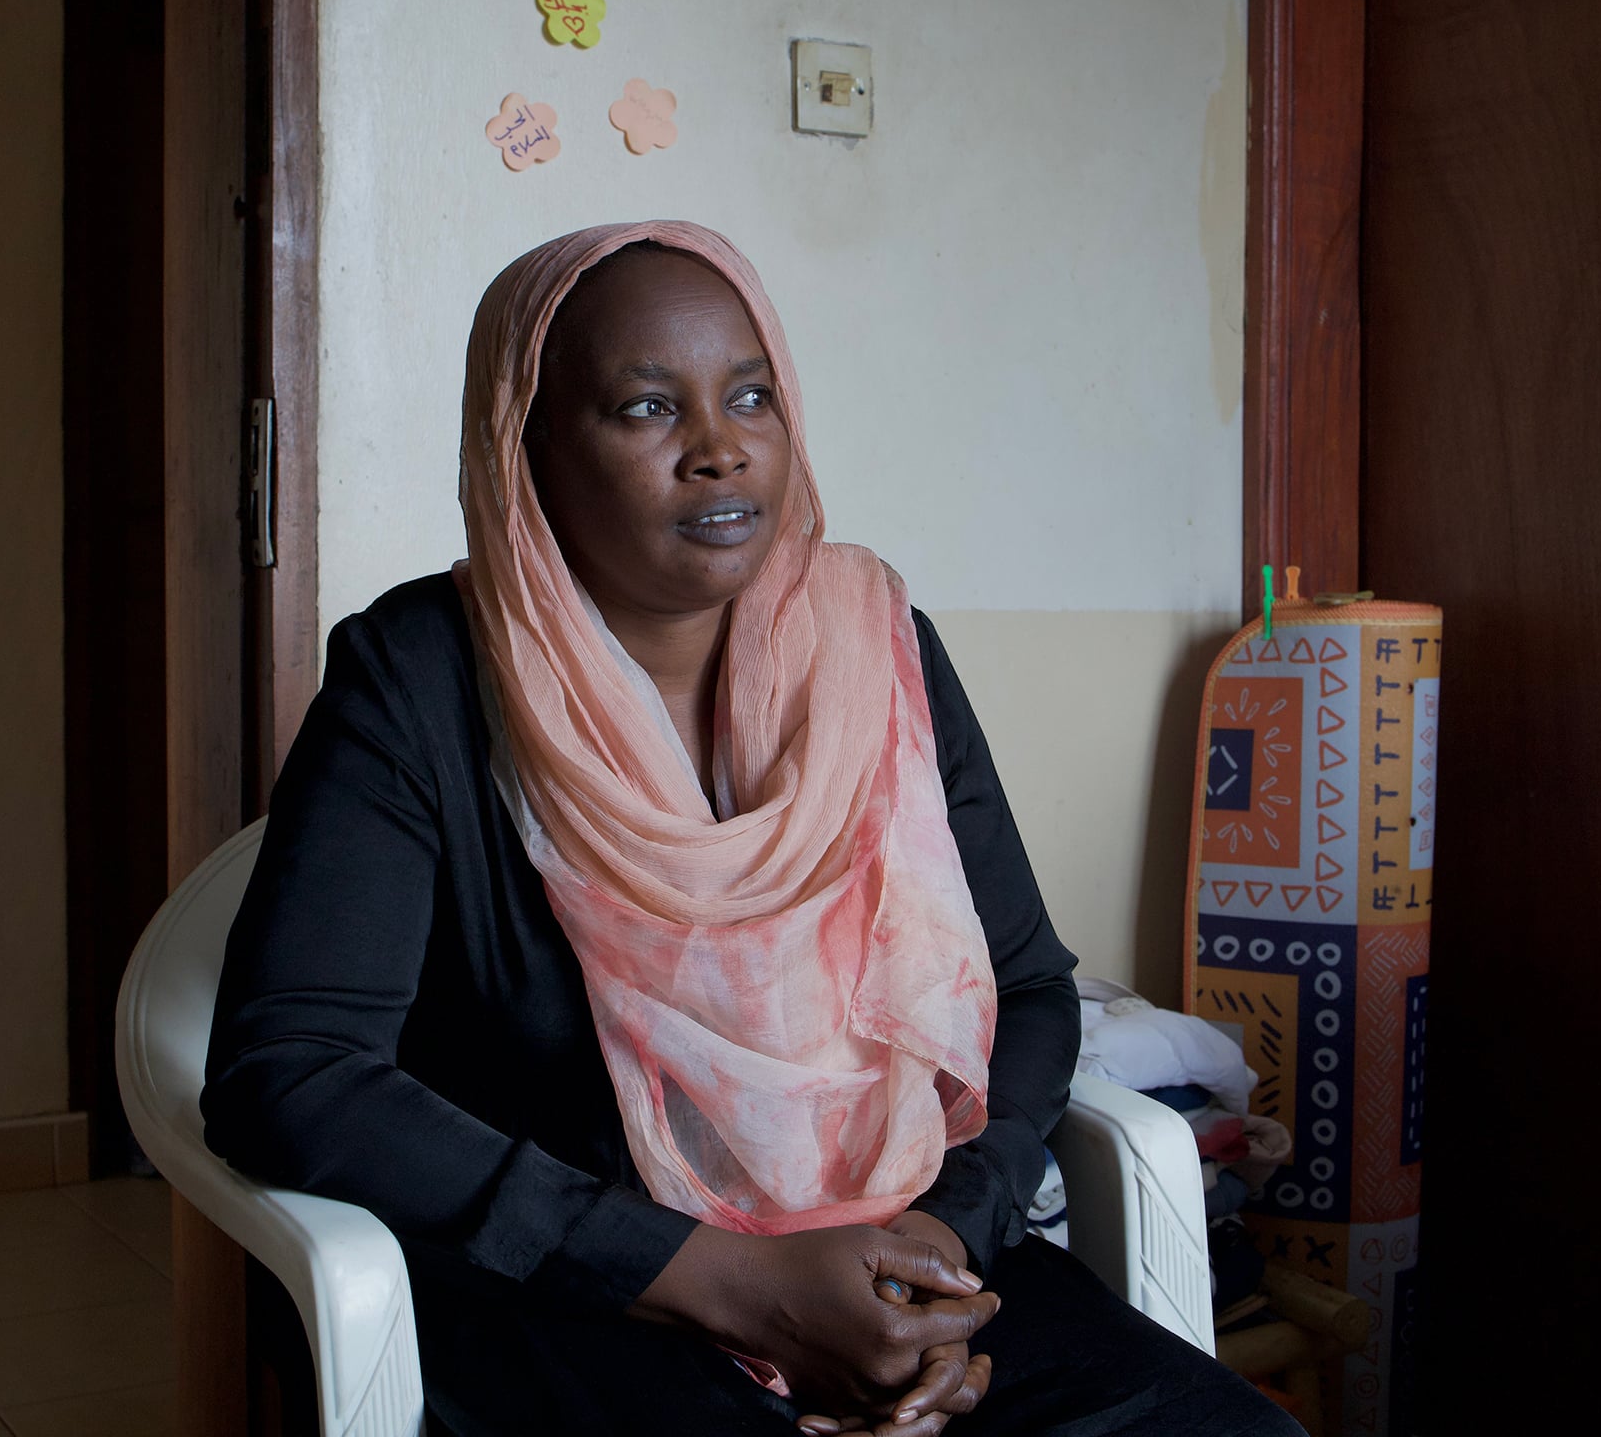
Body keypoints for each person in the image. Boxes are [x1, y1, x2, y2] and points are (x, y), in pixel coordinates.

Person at [203, 222, 1300, 1436]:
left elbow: (1031, 988)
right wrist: (741, 1288)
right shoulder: (417, 680)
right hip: (580, 1290)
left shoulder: (877, 653)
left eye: (751, 396)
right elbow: (290, 1072)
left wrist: (938, 1241)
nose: (720, 449)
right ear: (529, 447)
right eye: (646, 408)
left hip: (895, 1248)